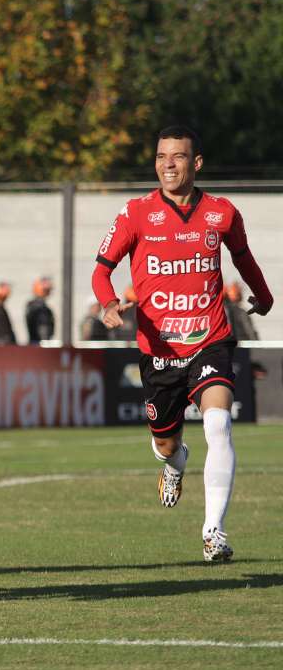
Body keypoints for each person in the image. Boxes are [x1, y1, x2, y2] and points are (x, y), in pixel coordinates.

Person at [92, 125, 273, 562]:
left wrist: (264, 295)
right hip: (160, 351)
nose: (167, 164)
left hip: (211, 339)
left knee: (219, 424)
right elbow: (102, 269)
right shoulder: (134, 213)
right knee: (166, 444)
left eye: (177, 156)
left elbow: (243, 257)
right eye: (160, 156)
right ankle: (174, 465)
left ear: (196, 163)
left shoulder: (222, 213)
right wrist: (108, 302)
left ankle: (215, 532)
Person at [25, 276, 55, 343]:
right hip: (39, 344)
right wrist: (45, 342)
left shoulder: (34, 305)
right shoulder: (39, 307)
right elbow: (43, 329)